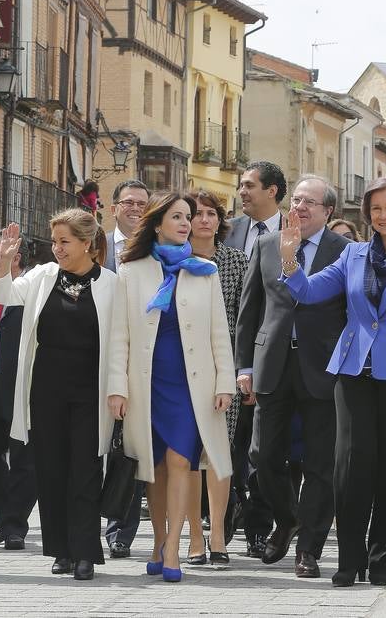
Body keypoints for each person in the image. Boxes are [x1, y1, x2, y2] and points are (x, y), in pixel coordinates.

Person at [281, 175, 386, 587]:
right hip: (354, 372)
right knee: (351, 467)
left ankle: (383, 558)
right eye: (375, 209)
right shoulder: (353, 255)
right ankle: (349, 560)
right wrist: (289, 261)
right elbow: (309, 292)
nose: (383, 215)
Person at [107, 192, 235, 583]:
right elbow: (120, 336)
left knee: (182, 462)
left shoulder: (204, 270)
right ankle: (160, 541)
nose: (186, 223)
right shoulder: (131, 271)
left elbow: (219, 332)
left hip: (191, 385)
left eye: (189, 216)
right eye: (178, 217)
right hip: (146, 383)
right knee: (155, 467)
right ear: (158, 222)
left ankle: (177, 548)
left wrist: (225, 381)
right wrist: (117, 387)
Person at [0, 211, 115, 580]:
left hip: (91, 390)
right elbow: (4, 295)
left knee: (86, 469)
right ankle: (60, 551)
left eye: (65, 242)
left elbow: (121, 342)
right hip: (45, 387)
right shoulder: (43, 276)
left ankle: (85, 552)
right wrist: (5, 262)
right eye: (54, 242)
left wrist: (120, 390)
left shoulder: (110, 284)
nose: (57, 249)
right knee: (52, 469)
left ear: (87, 244)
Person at [235, 175, 349, 579]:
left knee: (321, 465)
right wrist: (244, 365)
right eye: (296, 200)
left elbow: (351, 314)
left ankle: (309, 549)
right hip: (273, 363)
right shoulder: (267, 244)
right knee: (262, 457)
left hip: (323, 368)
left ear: (328, 211)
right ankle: (287, 518)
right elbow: (250, 309)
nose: (299, 208)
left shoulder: (345, 251)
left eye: (309, 203)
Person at [185, 189, 248, 566]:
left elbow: (245, 319)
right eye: (197, 213)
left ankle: (219, 535)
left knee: (219, 452)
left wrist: (242, 372)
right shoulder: (173, 260)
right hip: (183, 370)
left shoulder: (236, 261)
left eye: (211, 213)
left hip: (225, 370)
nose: (204, 219)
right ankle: (194, 535)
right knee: (189, 454)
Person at [225, 160, 285, 557]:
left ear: (273, 191)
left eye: (249, 186)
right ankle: (227, 522)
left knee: (265, 452)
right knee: (231, 447)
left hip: (278, 362)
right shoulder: (230, 232)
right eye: (241, 186)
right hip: (234, 359)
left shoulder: (293, 234)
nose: (242, 192)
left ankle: (261, 527)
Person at [103, 178, 150, 559]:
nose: (135, 208)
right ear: (114, 206)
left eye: (142, 204)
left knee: (126, 448)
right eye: (128, 202)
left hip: (136, 363)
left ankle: (121, 530)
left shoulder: (156, 254)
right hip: (91, 356)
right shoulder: (95, 245)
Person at [0, 231, 36, 551]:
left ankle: (13, 524)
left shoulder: (32, 288)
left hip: (23, 383)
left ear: (16, 256)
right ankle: (2, 512)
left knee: (24, 457)